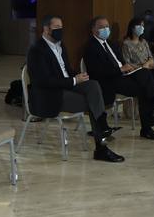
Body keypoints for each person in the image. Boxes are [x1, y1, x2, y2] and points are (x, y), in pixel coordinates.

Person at [25, 15, 122, 162]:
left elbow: (67, 70)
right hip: (49, 95)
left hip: (66, 86)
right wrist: (73, 80)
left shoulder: (61, 45)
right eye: (56, 28)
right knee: (91, 102)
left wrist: (78, 76)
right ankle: (101, 145)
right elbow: (44, 81)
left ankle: (102, 131)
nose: (60, 31)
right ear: (46, 29)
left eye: (61, 28)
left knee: (93, 85)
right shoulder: (36, 50)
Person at [81, 16, 154, 141]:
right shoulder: (90, 47)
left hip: (123, 75)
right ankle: (150, 120)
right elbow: (96, 72)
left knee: (145, 74)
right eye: (102, 27)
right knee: (144, 89)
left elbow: (121, 60)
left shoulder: (111, 44)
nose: (106, 29)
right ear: (93, 29)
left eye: (107, 27)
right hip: (109, 80)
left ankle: (152, 114)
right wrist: (119, 70)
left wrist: (128, 67)